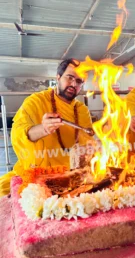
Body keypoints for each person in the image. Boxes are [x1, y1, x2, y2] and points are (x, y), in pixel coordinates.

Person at [0, 58, 93, 197]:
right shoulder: (35, 101)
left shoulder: (82, 110)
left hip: (70, 175)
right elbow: (18, 133)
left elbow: (86, 145)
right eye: (70, 77)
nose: (74, 84)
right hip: (38, 173)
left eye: (79, 81)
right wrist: (43, 129)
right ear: (58, 77)